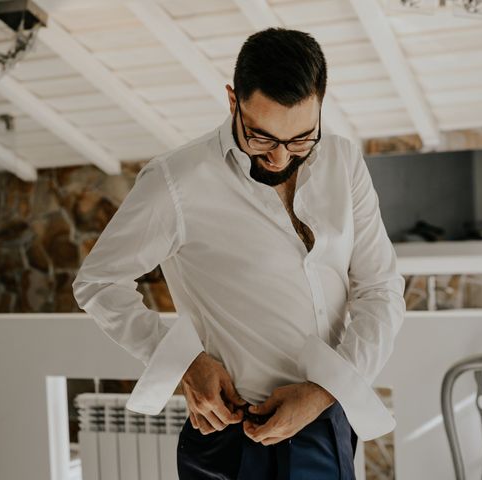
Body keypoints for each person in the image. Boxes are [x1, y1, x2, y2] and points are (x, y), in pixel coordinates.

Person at [72, 27, 406, 479]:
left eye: (302, 139)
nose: (281, 158)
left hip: (327, 419)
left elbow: (380, 288)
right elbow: (97, 282)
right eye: (263, 138)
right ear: (233, 101)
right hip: (230, 436)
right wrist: (185, 362)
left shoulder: (343, 162)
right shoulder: (176, 181)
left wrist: (326, 391)